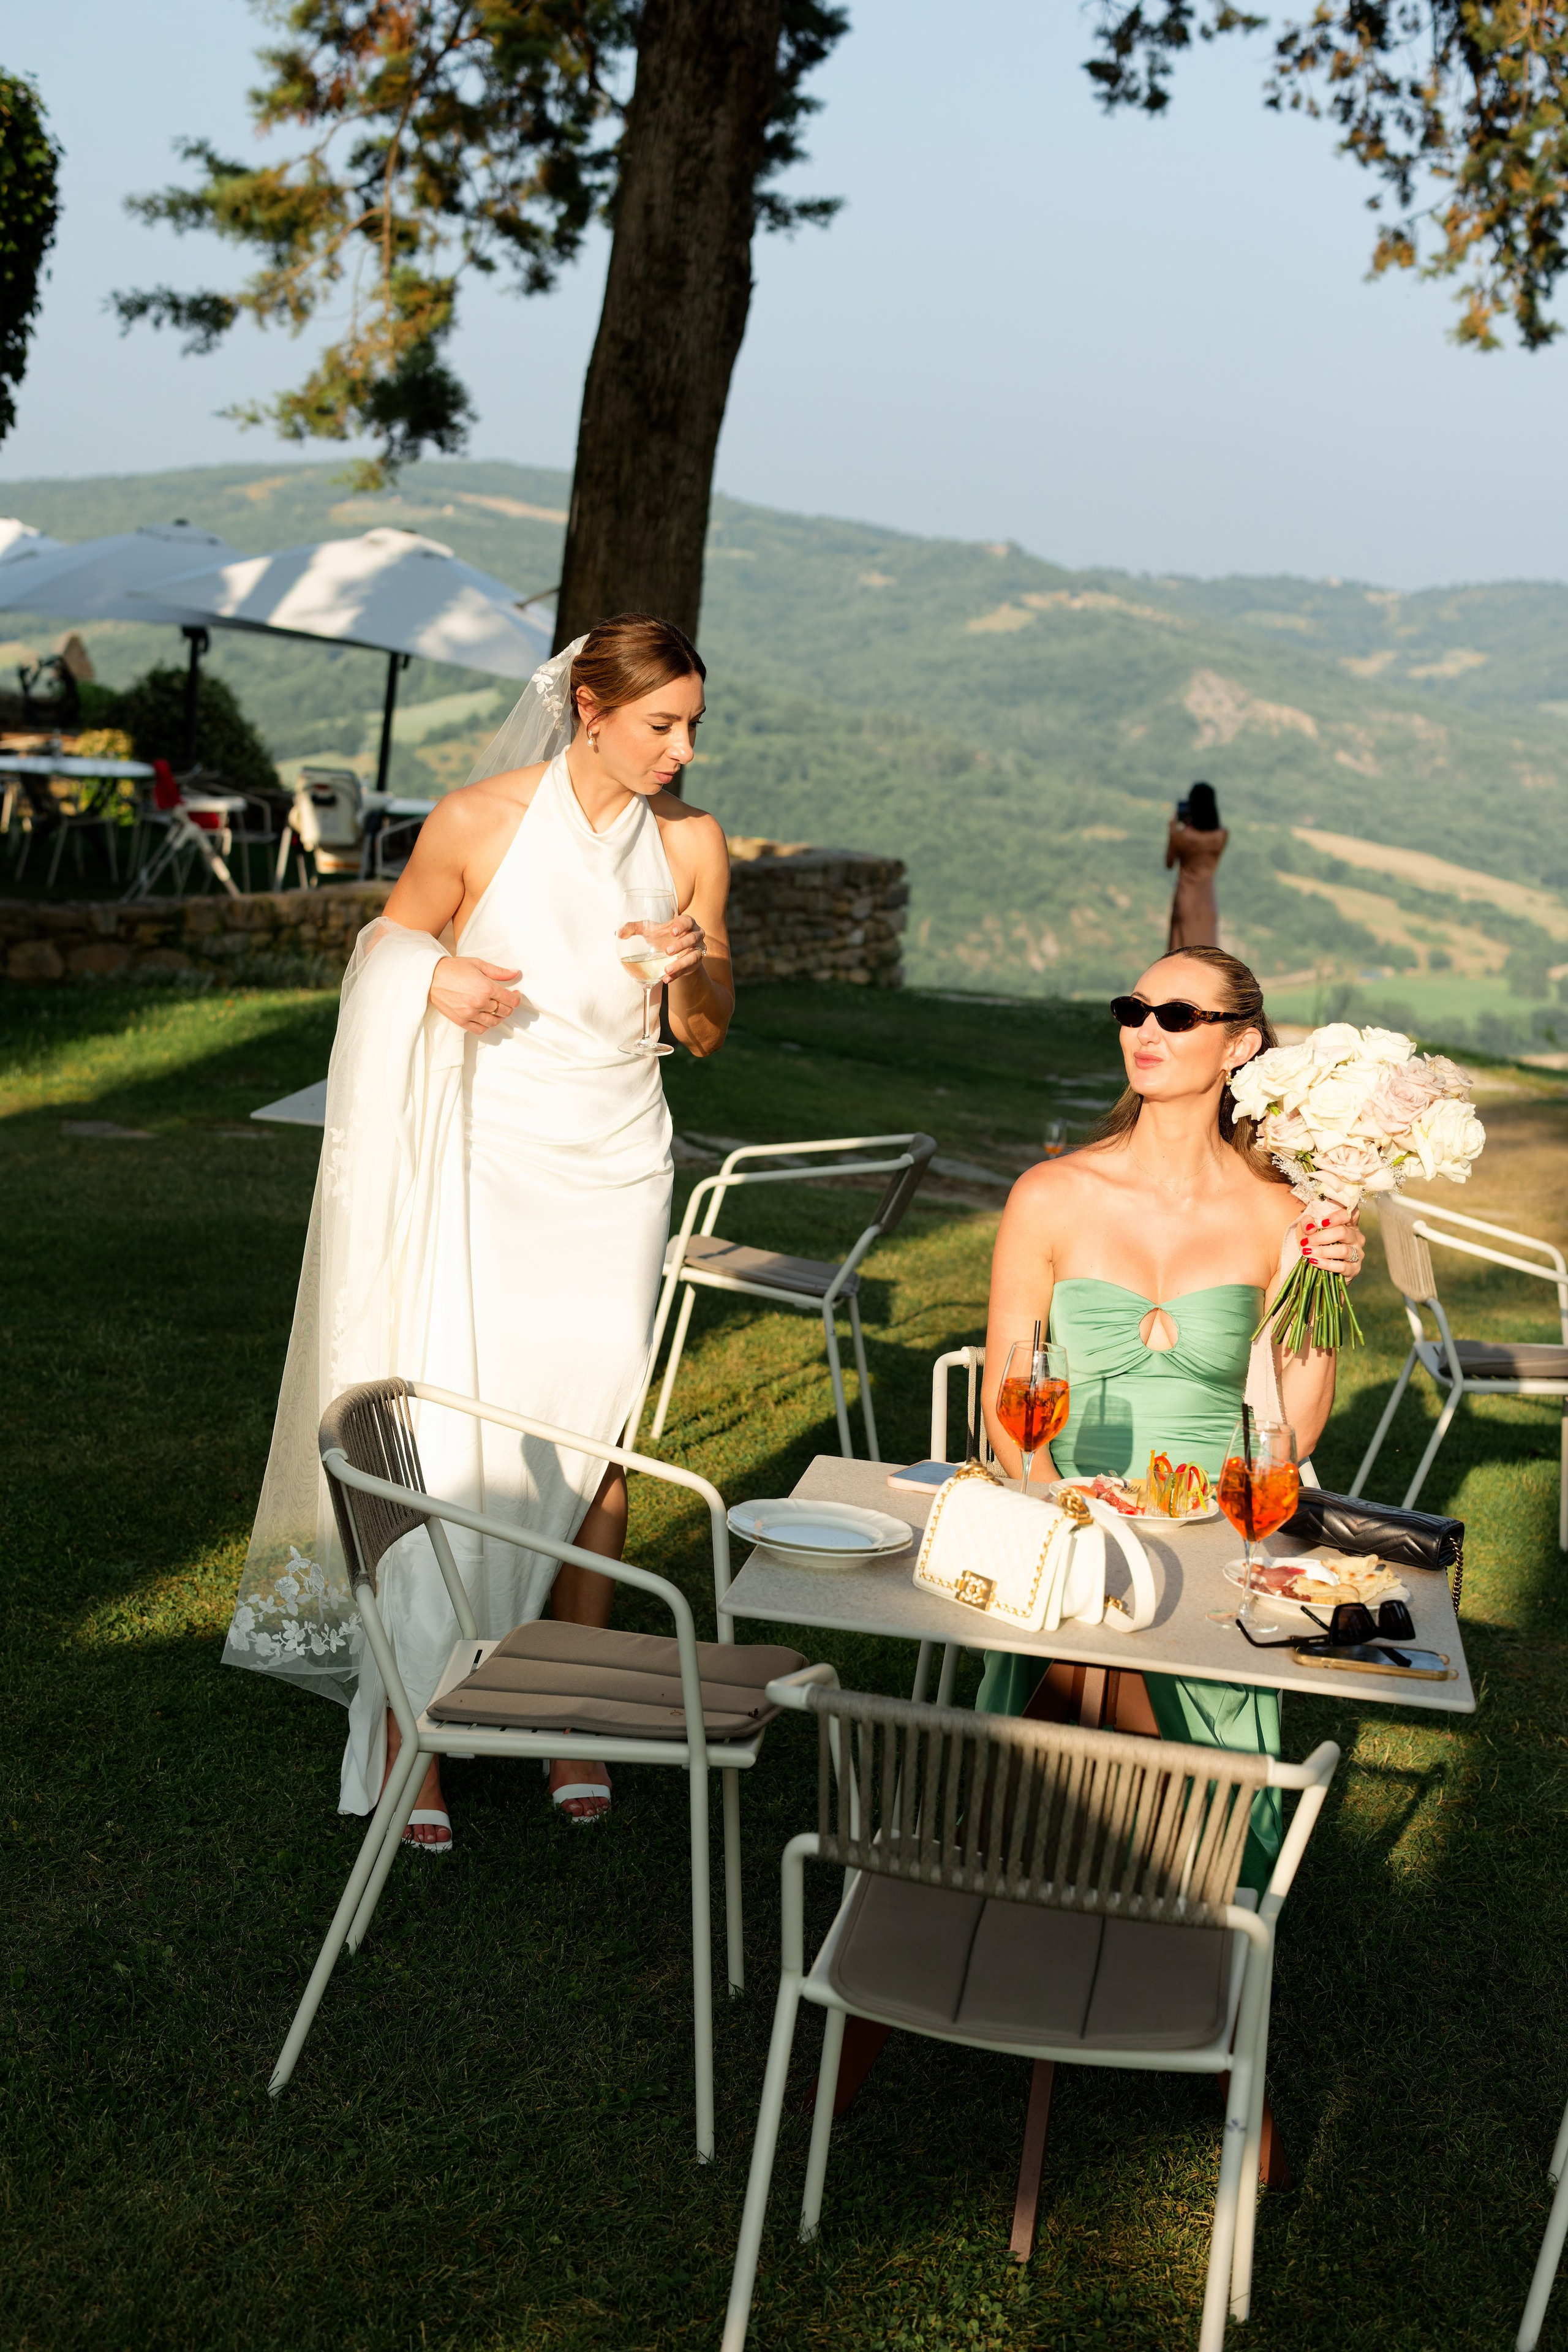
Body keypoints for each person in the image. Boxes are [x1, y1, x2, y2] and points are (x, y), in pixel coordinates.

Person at [223, 614, 734, 1842]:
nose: (680, 751)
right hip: (484, 1155)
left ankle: (561, 1707)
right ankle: (411, 1716)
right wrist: (429, 974)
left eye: (693, 728)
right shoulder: (476, 821)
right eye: (660, 725)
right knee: (453, 1433)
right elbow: (385, 945)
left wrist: (683, 970)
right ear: (589, 712)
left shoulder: (694, 844)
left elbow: (708, 1035)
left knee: (596, 1431)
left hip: (616, 1167)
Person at [978, 945, 1365, 1888]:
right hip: (1063, 1506)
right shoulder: (1052, 1194)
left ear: (1240, 1046)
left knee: (1122, 1666)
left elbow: (1297, 1435)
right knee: (1100, 1626)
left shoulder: (1283, 1212)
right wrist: (1075, 1527)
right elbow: (1008, 1413)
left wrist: (1320, 1279)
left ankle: (1080, 1871)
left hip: (1213, 1520)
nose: (1146, 1032)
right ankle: (1151, 1880)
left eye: (1178, 1017)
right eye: (1134, 1010)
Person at [1165, 781, 1228, 951]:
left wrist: (1172, 831)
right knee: (1206, 952)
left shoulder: (1181, 836)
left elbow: (1169, 863)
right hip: (1208, 899)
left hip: (1185, 897)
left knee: (1181, 951)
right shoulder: (1221, 836)